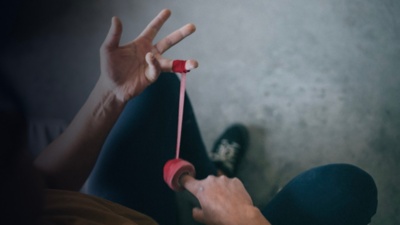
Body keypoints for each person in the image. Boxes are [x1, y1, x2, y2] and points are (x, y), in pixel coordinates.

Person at [0, 9, 377, 225]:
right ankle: (226, 196)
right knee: (345, 190)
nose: (29, 157)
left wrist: (110, 95)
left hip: (112, 215)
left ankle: (215, 176)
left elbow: (46, 184)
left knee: (154, 87)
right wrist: (243, 220)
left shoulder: (23, 197)